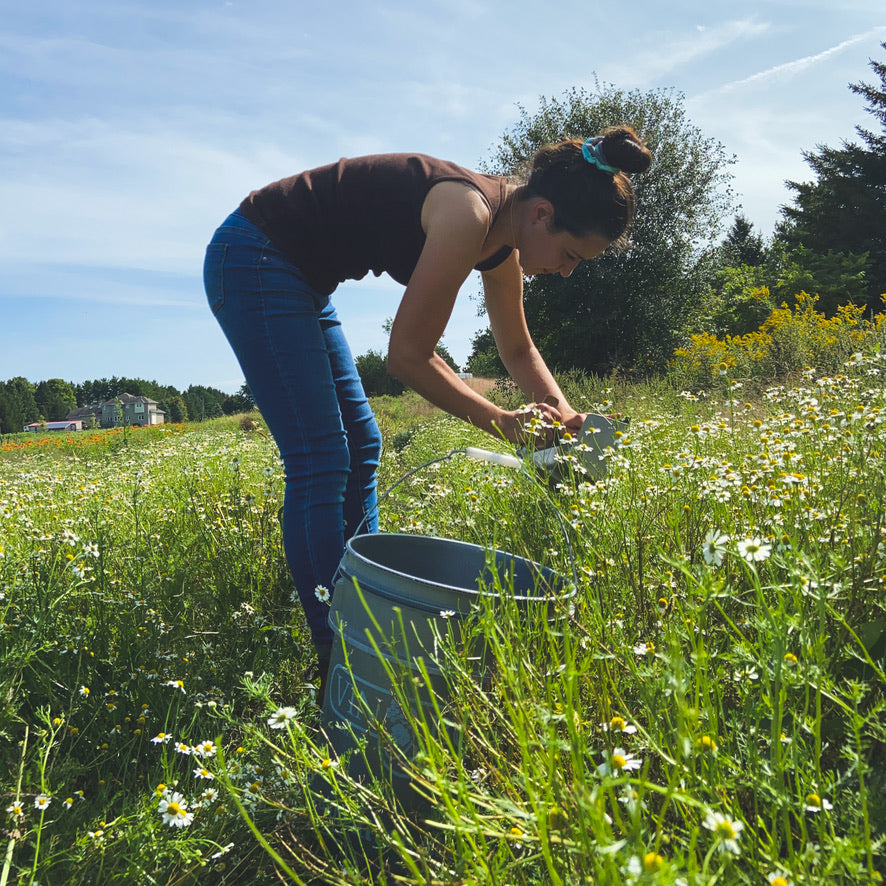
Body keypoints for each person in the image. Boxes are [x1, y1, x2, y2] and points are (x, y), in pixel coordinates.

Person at [203, 125, 652, 692]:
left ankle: (366, 596)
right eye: (570, 254)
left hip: (300, 278)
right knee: (321, 456)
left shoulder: (503, 239)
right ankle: (339, 648)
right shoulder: (467, 214)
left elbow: (518, 348)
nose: (567, 271)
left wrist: (564, 416)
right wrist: (506, 424)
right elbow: (408, 357)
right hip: (254, 255)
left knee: (362, 445)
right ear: (542, 214)